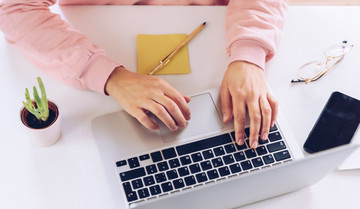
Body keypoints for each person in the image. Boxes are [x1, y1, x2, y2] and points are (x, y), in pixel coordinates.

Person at [0, 0, 286, 149]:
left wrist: (249, 55)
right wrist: (109, 76)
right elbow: (16, 10)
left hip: (217, 37)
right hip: (92, 60)